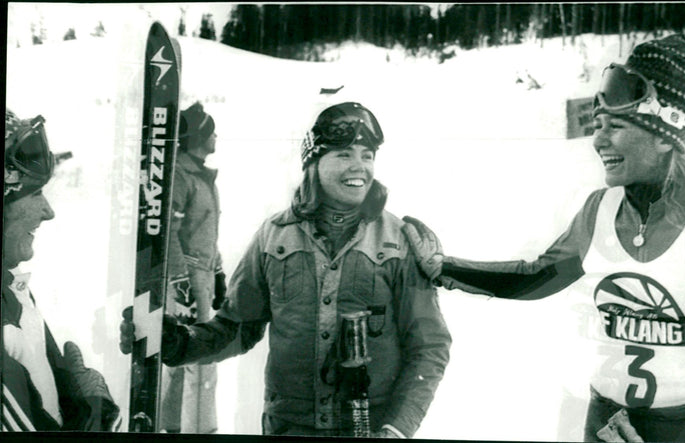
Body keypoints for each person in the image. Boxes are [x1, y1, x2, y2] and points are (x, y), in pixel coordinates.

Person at [402, 35, 685, 442]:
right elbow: (539, 278)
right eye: (598, 125)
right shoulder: (600, 211)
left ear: (665, 135)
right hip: (606, 425)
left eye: (616, 126)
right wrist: (443, 268)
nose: (598, 140)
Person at [121, 101, 451, 438]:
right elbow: (238, 328)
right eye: (344, 155)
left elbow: (429, 348)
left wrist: (396, 428)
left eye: (367, 155)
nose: (359, 167)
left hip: (367, 428)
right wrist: (179, 343)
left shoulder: (399, 242)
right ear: (314, 163)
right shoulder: (274, 235)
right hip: (289, 427)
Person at [2, 109, 119, 431]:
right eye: (35, 192)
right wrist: (95, 414)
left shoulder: (12, 289)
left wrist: (80, 402)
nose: (48, 212)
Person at [159, 102, 225, 433]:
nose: (216, 135)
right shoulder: (182, 176)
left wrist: (219, 271)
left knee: (195, 357)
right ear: (198, 136)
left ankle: (186, 428)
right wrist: (180, 282)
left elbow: (204, 231)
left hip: (203, 277)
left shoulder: (201, 175)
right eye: (211, 130)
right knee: (193, 358)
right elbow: (168, 232)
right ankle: (186, 429)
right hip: (187, 280)